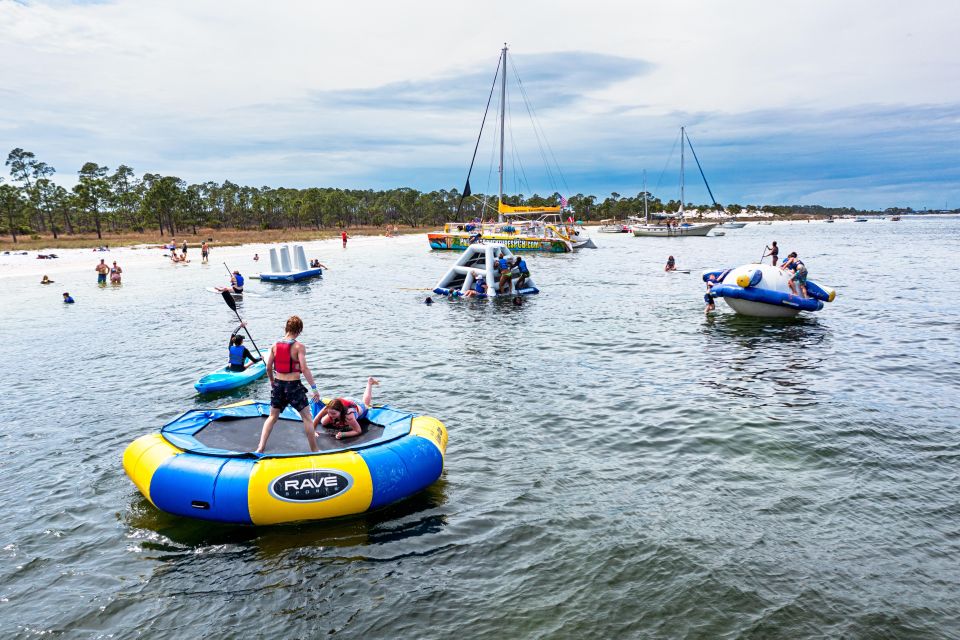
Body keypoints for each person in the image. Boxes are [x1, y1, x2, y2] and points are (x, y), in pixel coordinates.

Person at [254, 316, 322, 453]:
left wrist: (273, 381)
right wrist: (314, 389)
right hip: (294, 386)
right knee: (307, 418)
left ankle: (260, 447)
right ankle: (315, 449)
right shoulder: (299, 347)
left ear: (286, 328)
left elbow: (268, 367)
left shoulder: (274, 345)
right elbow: (304, 369)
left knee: (272, 417)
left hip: (278, 385)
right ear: (299, 330)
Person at [314, 378, 379, 440]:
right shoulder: (329, 407)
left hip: (357, 404)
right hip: (345, 400)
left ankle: (369, 383)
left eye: (333, 413)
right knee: (323, 422)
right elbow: (317, 418)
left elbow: (358, 431)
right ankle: (337, 418)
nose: (330, 415)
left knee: (366, 405)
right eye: (329, 413)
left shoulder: (349, 416)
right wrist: (312, 431)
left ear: (341, 411)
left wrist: (343, 434)